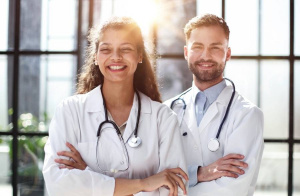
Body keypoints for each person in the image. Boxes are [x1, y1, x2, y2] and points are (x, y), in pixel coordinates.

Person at [43, 16, 188, 196]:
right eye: (106, 49)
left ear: (139, 55)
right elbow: (59, 184)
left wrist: (89, 176)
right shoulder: (70, 111)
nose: (116, 57)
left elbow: (175, 190)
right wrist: (145, 183)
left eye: (125, 49)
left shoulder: (163, 118)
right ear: (96, 57)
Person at [164, 14, 264, 195]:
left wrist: (178, 185)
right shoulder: (167, 110)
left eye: (215, 47)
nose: (205, 56)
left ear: (228, 54)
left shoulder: (247, 115)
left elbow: (231, 189)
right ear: (186, 53)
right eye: (198, 47)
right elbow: (154, 177)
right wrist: (199, 174)